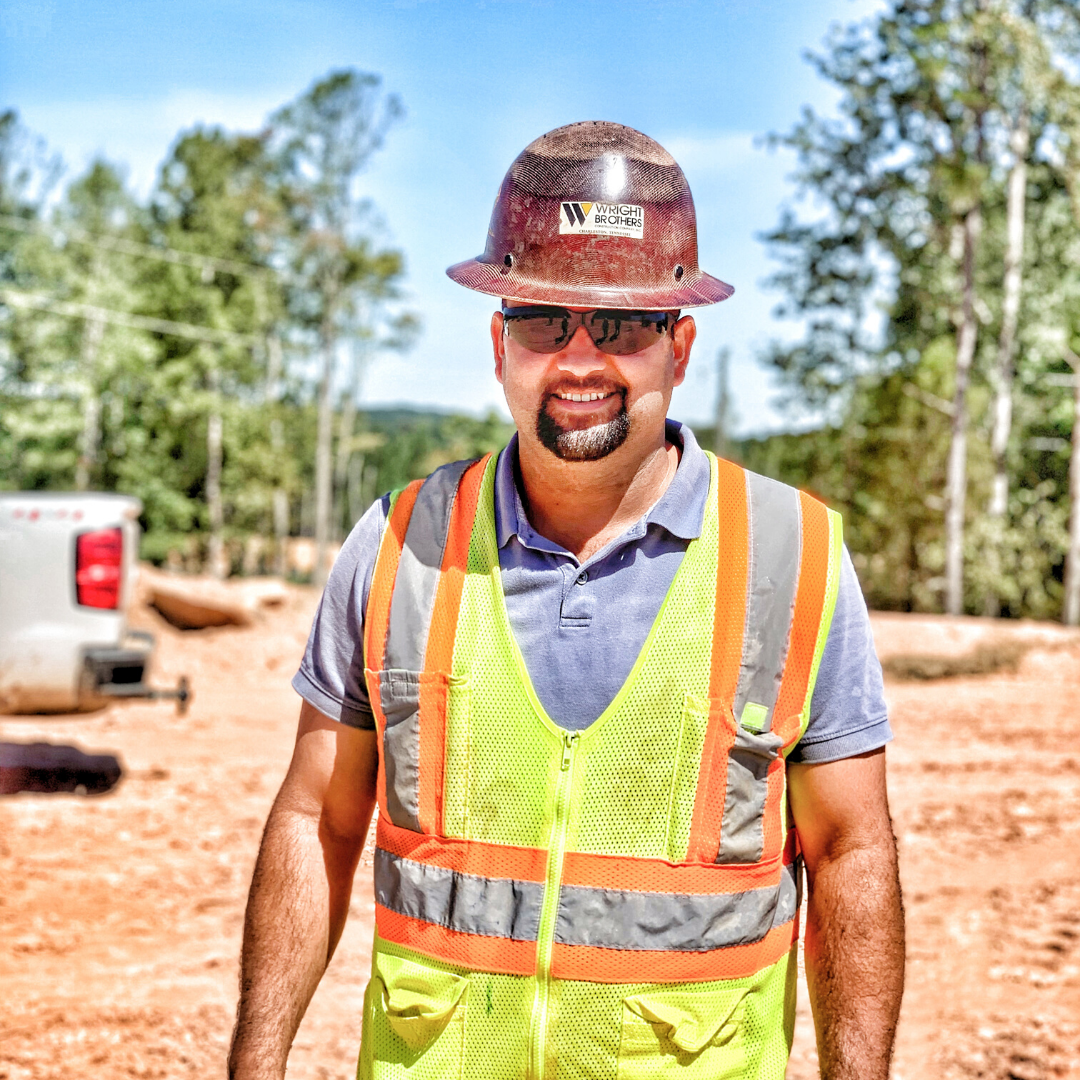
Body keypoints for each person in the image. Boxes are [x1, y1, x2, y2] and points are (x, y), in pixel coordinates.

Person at [229, 121, 904, 1080]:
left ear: (681, 342)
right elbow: (317, 820)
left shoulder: (791, 557)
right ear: (499, 339)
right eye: (547, 318)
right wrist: (256, 1065)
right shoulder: (397, 547)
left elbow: (849, 853)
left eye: (622, 324)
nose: (581, 360)